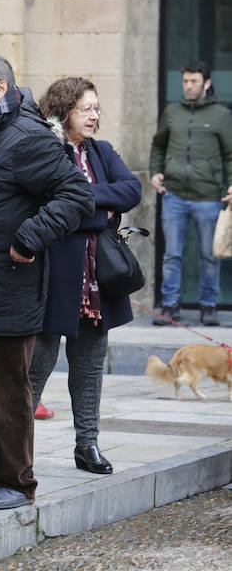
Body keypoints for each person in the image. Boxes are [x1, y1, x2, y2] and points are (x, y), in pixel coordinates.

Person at [0, 54, 94, 511]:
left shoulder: (27, 139)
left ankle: (16, 480)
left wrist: (29, 239)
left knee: (4, 390)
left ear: (1, 88)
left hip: (8, 286)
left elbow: (76, 194)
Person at [28, 77, 142, 475]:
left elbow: (131, 190)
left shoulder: (102, 151)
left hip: (98, 280)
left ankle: (87, 444)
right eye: (85, 109)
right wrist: (99, 211)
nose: (94, 116)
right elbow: (48, 206)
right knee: (37, 363)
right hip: (54, 275)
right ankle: (15, 449)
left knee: (90, 365)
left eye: (96, 108)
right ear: (63, 111)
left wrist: (82, 203)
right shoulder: (46, 150)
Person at [150, 61, 232, 326]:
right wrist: (155, 172)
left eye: (194, 81)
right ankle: (170, 305)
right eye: (185, 81)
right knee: (172, 254)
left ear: (206, 83)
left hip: (209, 197)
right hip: (173, 195)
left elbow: (230, 155)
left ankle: (209, 306)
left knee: (210, 256)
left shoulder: (221, 115)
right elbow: (158, 145)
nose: (188, 86)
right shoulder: (172, 112)